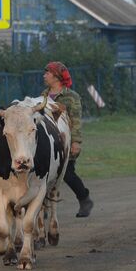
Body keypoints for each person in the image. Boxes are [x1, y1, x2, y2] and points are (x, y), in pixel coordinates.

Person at [42, 61, 92, 218]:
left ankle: (84, 199)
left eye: (47, 73)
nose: (45, 75)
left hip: (66, 143)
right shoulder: (42, 96)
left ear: (56, 77)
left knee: (68, 174)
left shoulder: (72, 97)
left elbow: (76, 121)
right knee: (43, 174)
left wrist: (76, 142)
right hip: (48, 144)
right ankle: (42, 209)